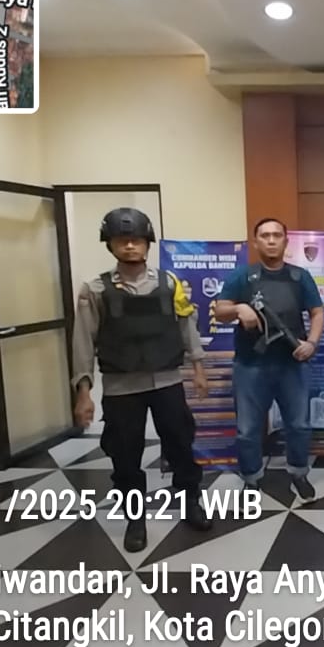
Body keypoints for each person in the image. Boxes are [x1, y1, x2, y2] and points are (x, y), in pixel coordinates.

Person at [72, 207, 212, 551]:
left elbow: (187, 326)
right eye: (122, 240)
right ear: (110, 245)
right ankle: (135, 518)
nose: (130, 245)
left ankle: (191, 502)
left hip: (167, 382)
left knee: (181, 446)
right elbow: (83, 341)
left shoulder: (169, 283)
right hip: (121, 388)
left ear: (148, 243)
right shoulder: (95, 289)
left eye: (136, 239)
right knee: (125, 456)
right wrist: (83, 392)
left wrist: (198, 368)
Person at [215, 217, 324, 502]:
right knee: (248, 430)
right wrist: (239, 308)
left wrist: (312, 343)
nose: (272, 240)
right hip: (250, 365)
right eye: (265, 235)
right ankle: (252, 479)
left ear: (286, 241)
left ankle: (298, 473)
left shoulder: (300, 277)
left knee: (299, 425)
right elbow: (219, 310)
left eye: (277, 235)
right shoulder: (242, 276)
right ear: (256, 242)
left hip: (292, 365)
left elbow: (317, 312)